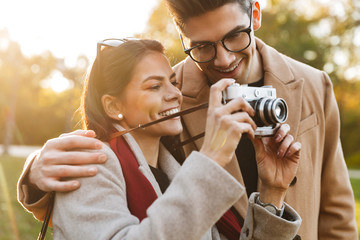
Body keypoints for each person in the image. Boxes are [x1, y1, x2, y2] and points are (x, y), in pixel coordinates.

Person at [18, 0, 358, 239]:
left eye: (235, 36)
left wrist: (273, 190)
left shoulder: (315, 83)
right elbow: (110, 150)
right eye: (203, 46)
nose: (223, 59)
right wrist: (35, 171)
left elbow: (338, 212)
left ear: (255, 15)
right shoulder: (173, 91)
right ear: (183, 37)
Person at [20, 38, 302, 239]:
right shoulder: (90, 167)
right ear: (114, 107)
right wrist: (212, 158)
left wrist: (273, 191)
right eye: (155, 86)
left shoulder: (178, 171)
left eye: (173, 81)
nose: (174, 94)